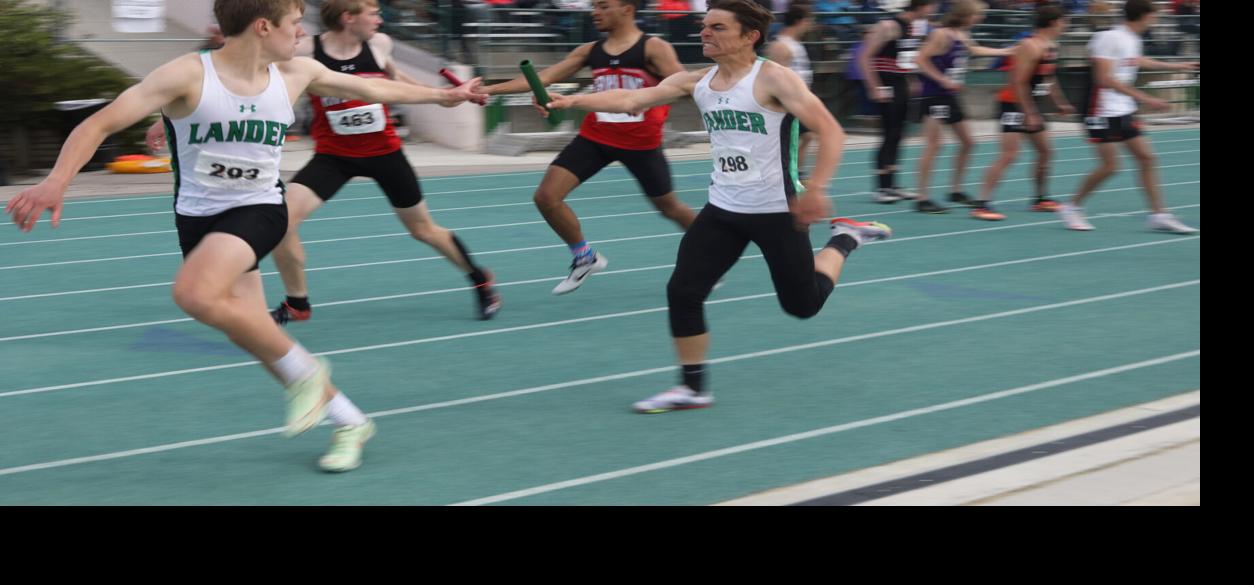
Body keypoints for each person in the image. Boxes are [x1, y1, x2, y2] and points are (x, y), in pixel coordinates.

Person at [5, 0, 487, 473]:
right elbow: (99, 122)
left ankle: (311, 371)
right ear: (262, 26)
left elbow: (373, 89)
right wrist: (57, 181)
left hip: (258, 208)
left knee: (193, 293)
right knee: (251, 332)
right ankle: (350, 421)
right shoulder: (187, 75)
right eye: (295, 24)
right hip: (197, 218)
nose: (302, 34)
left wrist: (446, 96)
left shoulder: (296, 73)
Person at [543, 0, 892, 412]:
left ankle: (846, 238)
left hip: (776, 210)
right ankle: (693, 388)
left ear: (749, 37)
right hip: (723, 208)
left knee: (802, 305)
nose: (704, 33)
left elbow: (831, 131)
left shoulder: (775, 80)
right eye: (704, 26)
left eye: (717, 28)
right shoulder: (699, 81)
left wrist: (816, 188)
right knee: (683, 291)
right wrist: (571, 101)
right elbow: (633, 100)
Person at [272, 0, 501, 325]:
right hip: (333, 157)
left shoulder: (379, 43)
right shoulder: (307, 51)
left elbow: (396, 79)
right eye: (373, 14)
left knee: (423, 230)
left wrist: (448, 96)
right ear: (348, 18)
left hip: (385, 154)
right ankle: (298, 304)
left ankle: (480, 279)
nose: (380, 20)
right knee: (280, 220)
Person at [481, 0, 696, 295]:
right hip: (597, 137)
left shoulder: (653, 48)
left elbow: (683, 86)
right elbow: (543, 78)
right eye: (594, 6)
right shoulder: (590, 50)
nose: (595, 12)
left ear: (627, 9)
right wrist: (487, 90)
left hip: (640, 143)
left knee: (669, 208)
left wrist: (647, 99)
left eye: (603, 6)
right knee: (546, 197)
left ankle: (708, 251)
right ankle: (584, 257)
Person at [1058, 0, 1196, 232]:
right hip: (1099, 109)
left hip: (1123, 108)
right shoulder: (1109, 37)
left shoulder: (1133, 38)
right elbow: (1104, 79)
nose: (1157, 20)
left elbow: (1135, 61)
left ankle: (1159, 215)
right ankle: (1071, 206)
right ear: (1143, 16)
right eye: (1154, 16)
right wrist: (1145, 98)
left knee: (1146, 158)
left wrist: (1177, 66)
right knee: (1111, 166)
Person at [967, 2, 1073, 221]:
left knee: (1046, 152)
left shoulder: (1051, 46)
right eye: (1064, 20)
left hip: (1030, 104)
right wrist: (1029, 113)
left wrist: (1060, 103)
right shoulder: (1029, 46)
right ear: (1054, 22)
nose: (1067, 24)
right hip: (1013, 103)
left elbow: (1048, 78)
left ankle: (1041, 198)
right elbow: (1018, 82)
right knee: (1009, 155)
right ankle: (982, 204)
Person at [908, 0, 1013, 212]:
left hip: (949, 96)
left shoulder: (961, 34)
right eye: (978, 14)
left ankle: (955, 190)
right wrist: (942, 79)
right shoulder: (941, 34)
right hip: (935, 95)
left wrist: (1004, 52)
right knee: (934, 145)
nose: (981, 18)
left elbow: (973, 49)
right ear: (966, 15)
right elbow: (919, 59)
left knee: (968, 142)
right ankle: (922, 197)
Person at [853, 0, 932, 203]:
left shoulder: (912, 27)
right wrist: (874, 87)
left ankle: (892, 184)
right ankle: (881, 188)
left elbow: (905, 57)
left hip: (901, 85)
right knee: (888, 134)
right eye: (932, 6)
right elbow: (864, 57)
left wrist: (912, 79)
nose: (935, 10)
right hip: (885, 85)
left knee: (898, 134)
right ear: (923, 6)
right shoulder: (888, 26)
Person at [764, 3, 818, 185]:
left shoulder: (795, 44)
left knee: (806, 136)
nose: (812, 25)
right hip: (788, 103)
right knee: (796, 138)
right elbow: (773, 78)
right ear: (800, 21)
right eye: (810, 21)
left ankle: (795, 173)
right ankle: (788, 174)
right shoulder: (781, 45)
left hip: (800, 101)